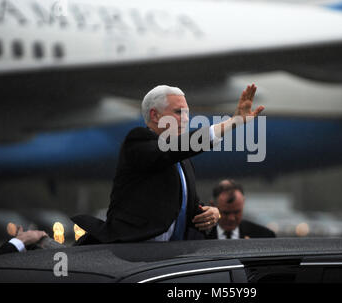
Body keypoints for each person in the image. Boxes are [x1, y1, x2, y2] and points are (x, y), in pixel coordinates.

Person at [73, 84, 264, 243]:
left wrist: (211, 213)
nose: (186, 119)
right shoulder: (137, 142)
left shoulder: (182, 159)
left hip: (170, 257)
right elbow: (170, 150)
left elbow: (183, 207)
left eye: (188, 113)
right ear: (155, 115)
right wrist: (233, 122)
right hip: (130, 255)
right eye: (178, 112)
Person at [205, 179, 275, 239]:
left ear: (243, 202)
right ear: (213, 205)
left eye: (236, 212)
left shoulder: (263, 237)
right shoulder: (200, 237)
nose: (231, 218)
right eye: (226, 213)